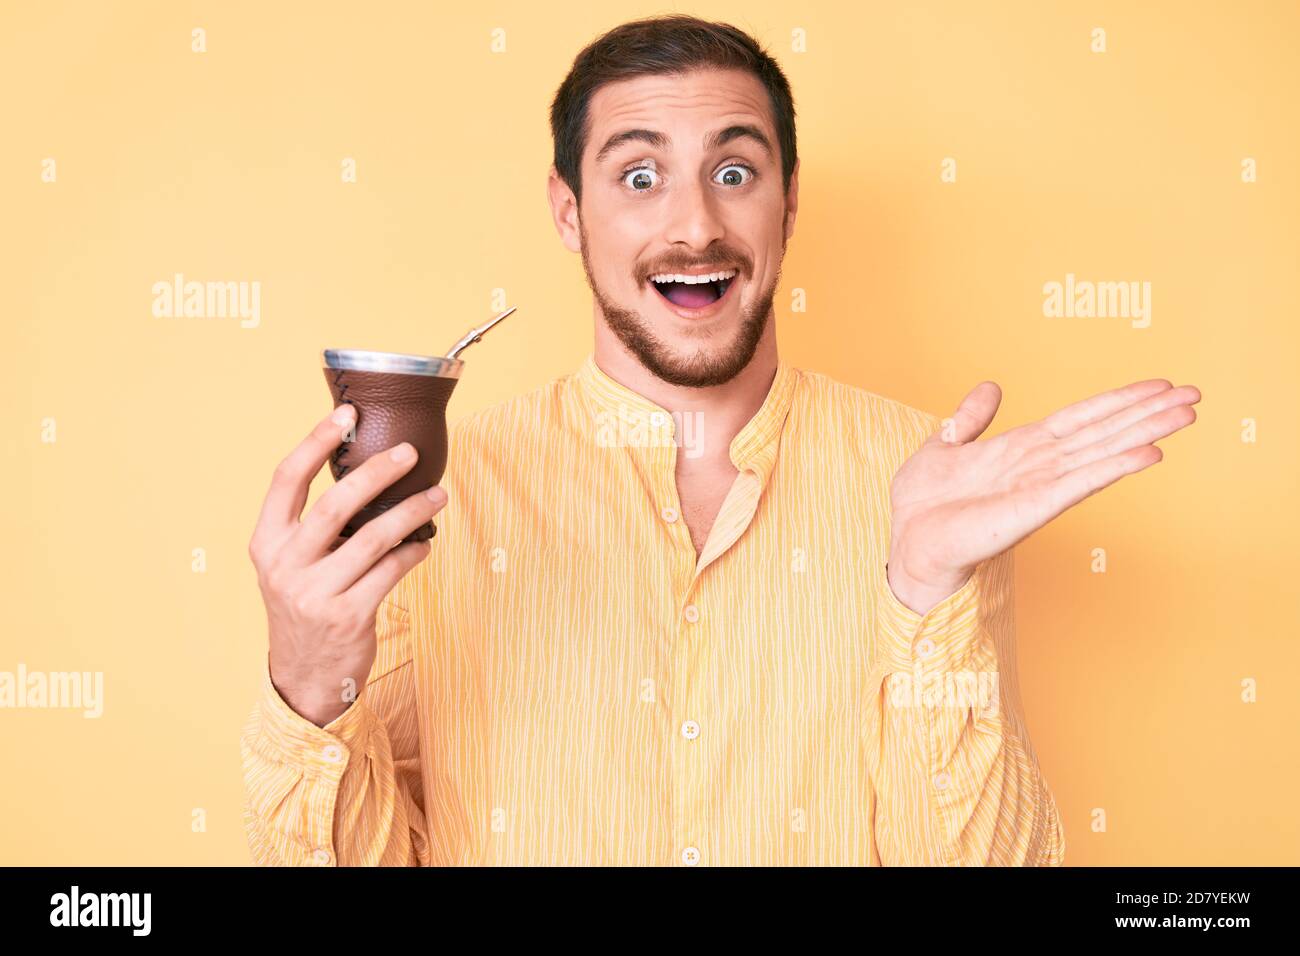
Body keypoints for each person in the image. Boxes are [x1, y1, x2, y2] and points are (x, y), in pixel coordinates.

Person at [240, 14, 1199, 866]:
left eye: (734, 173)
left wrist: (927, 596)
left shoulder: (933, 485)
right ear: (570, 211)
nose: (695, 225)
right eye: (641, 176)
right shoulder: (436, 501)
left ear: (788, 205)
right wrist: (309, 680)